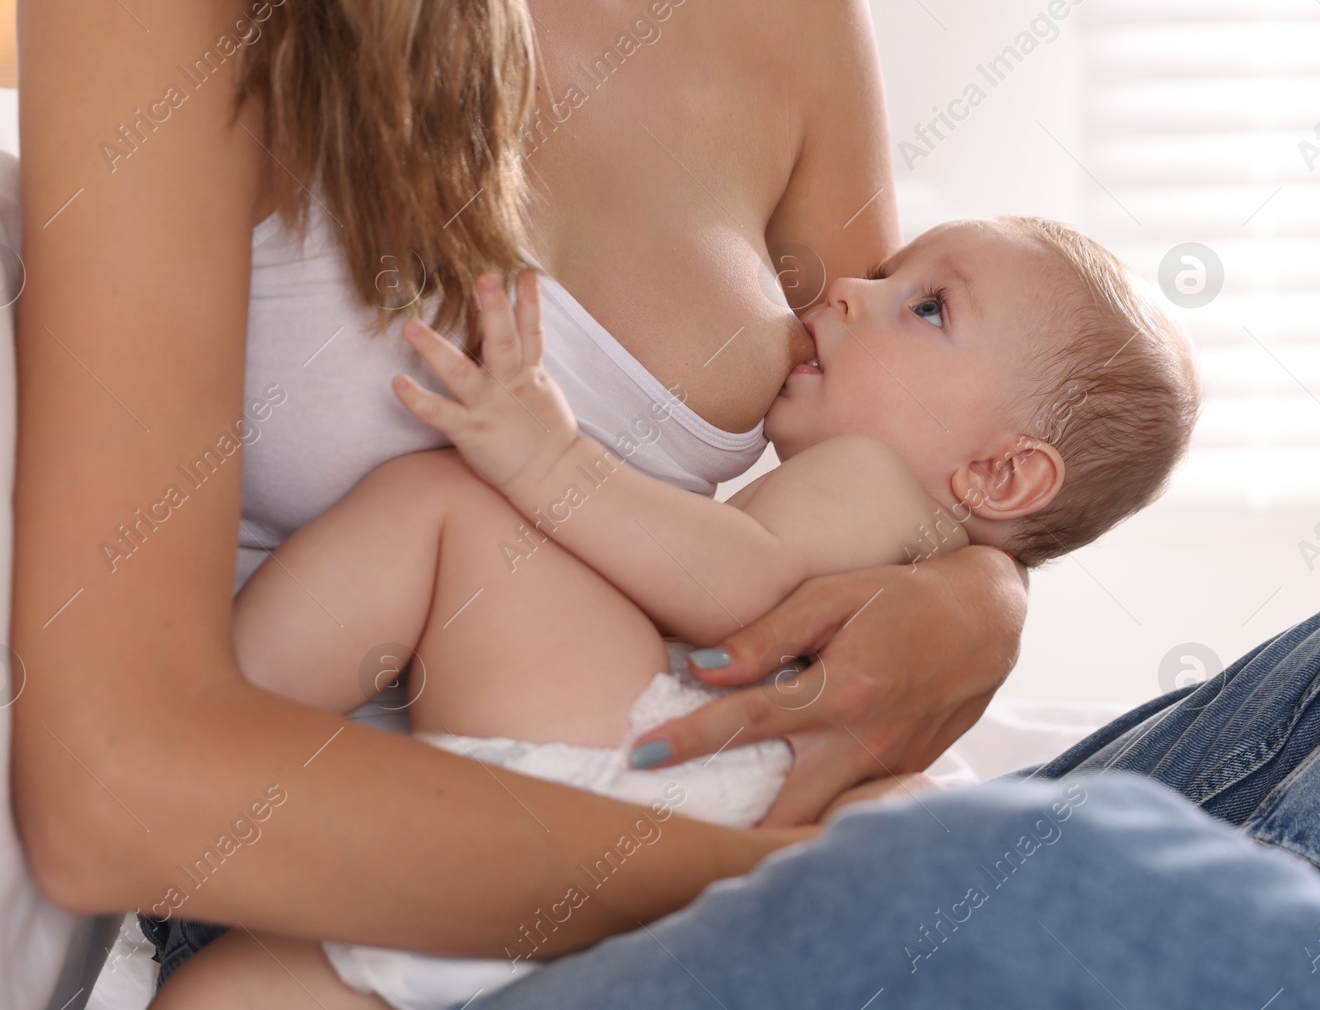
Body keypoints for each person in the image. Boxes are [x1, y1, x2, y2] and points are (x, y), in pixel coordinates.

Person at [13, 0, 1023, 995]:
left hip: (700, 794)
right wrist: (792, 887)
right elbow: (112, 789)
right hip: (361, 892)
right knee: (1105, 888)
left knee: (1177, 813)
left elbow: (910, 430)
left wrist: (981, 598)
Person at [155, 213, 1196, 1008]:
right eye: (885, 275)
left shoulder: (877, 483)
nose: (844, 289)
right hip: (670, 846)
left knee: (442, 507)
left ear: (1003, 474)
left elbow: (742, 586)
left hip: (658, 771)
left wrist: (545, 456)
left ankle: (207, 713)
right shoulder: (917, 553)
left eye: (925, 307)